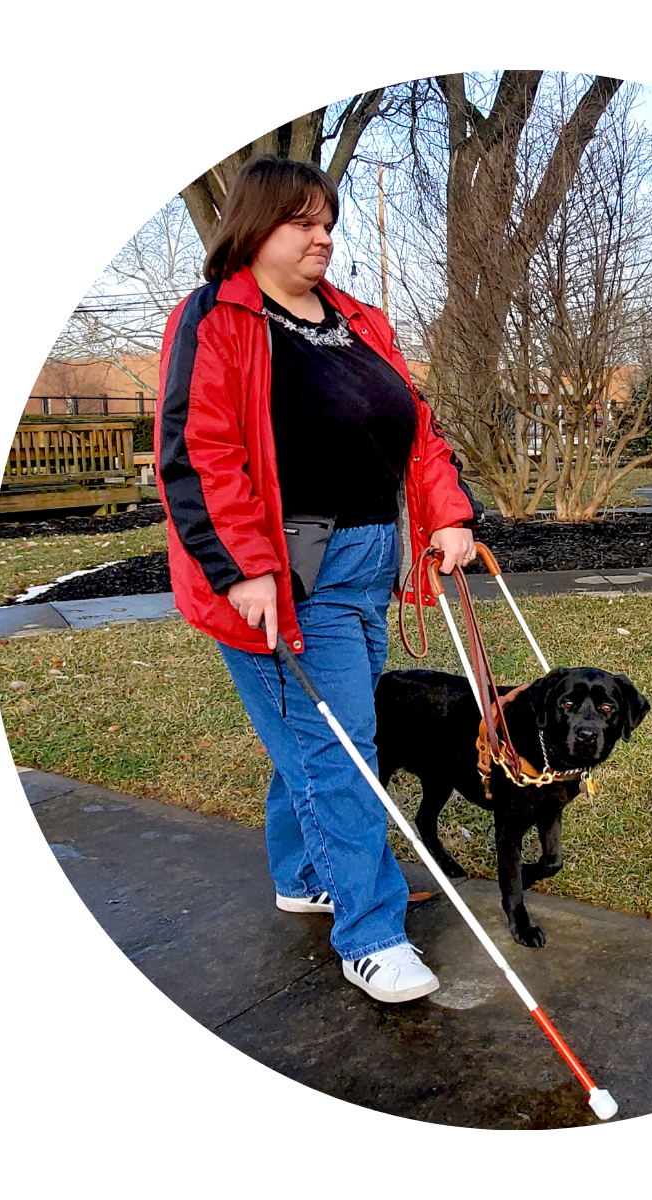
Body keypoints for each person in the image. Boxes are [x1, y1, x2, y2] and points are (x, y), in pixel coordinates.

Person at [155, 154, 483, 1003]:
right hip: (285, 575)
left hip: (370, 562)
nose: (322, 236)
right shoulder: (217, 321)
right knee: (343, 750)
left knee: (319, 730)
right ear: (254, 228)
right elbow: (200, 457)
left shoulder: (360, 322)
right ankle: (370, 934)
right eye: (303, 221)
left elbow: (421, 432)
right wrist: (243, 572)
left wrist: (447, 513)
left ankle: (302, 874)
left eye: (328, 222)